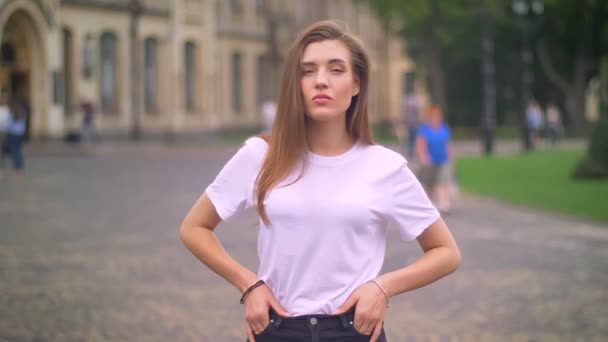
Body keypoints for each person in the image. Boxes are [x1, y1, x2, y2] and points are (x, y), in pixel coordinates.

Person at [180, 20, 461, 342]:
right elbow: (194, 227)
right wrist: (248, 283)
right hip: (275, 330)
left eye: (336, 69)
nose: (321, 81)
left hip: (354, 331)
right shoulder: (260, 156)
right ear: (295, 84)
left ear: (357, 84)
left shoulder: (385, 166)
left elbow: (446, 252)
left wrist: (383, 287)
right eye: (308, 71)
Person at [416, 105, 453, 213]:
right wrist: (423, 156)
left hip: (443, 160)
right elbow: (420, 145)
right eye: (433, 116)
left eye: (437, 116)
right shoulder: (424, 130)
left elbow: (447, 145)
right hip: (429, 161)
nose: (435, 118)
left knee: (442, 182)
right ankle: (426, 204)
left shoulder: (444, 129)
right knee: (428, 184)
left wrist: (450, 157)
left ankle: (443, 204)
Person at [0, 96, 27, 177]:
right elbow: (23, 124)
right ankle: (19, 169)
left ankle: (16, 169)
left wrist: (3, 128)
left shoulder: (12, 113)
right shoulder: (22, 112)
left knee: (14, 151)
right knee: (17, 151)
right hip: (20, 134)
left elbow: (8, 125)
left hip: (12, 134)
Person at [401, 93, 421, 159]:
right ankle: (410, 153)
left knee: (410, 139)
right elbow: (417, 116)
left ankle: (410, 153)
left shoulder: (408, 107)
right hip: (413, 125)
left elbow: (405, 115)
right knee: (412, 139)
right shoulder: (415, 107)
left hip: (410, 124)